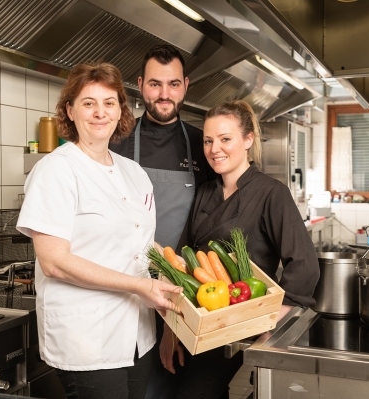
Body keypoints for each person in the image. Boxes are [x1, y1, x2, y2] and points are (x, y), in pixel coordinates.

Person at [16, 62, 181, 399]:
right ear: (70, 111)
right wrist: (139, 285)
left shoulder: (134, 172)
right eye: (88, 103)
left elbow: (140, 243)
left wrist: (167, 270)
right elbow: (54, 262)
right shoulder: (55, 170)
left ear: (121, 110)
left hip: (137, 333)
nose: (99, 112)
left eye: (109, 103)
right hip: (86, 338)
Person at [161, 100, 320, 399]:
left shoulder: (272, 193)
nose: (214, 149)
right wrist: (173, 329)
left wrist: (272, 327)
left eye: (225, 139)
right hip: (197, 321)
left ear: (248, 140)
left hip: (238, 325)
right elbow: (184, 258)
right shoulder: (206, 191)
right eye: (208, 141)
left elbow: (304, 263)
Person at [109, 44, 217, 399]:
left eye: (173, 84)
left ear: (185, 86)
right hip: (126, 291)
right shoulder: (117, 142)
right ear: (140, 85)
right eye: (155, 84)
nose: (164, 94)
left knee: (179, 387)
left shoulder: (203, 145)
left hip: (184, 291)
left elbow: (213, 218)